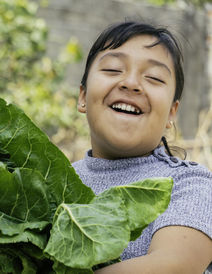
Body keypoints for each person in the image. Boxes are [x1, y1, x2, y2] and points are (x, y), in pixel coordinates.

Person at [73, 21, 212, 273]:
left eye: (154, 78)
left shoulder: (189, 184)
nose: (131, 83)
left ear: (172, 113)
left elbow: (175, 266)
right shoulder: (55, 181)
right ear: (82, 97)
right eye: (114, 70)